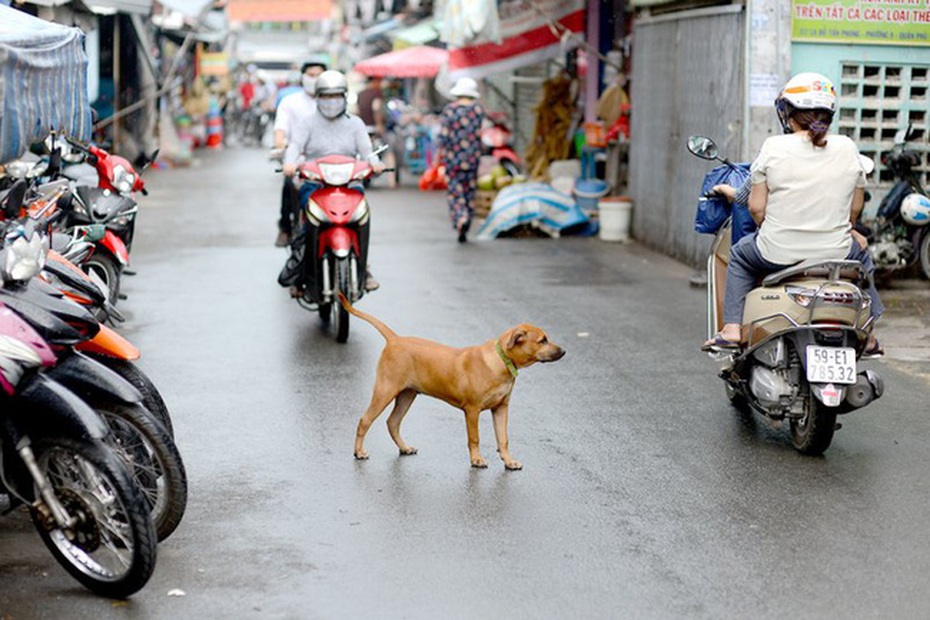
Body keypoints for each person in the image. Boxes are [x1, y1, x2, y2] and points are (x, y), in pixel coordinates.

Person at [704, 72, 884, 356]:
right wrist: (846, 228)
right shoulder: (848, 147)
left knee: (739, 255)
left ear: (787, 113)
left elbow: (755, 207)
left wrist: (772, 226)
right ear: (829, 113)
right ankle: (870, 335)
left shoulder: (774, 147)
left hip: (777, 252)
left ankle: (731, 330)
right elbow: (855, 207)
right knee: (862, 252)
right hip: (835, 253)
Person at [280, 70, 384, 297]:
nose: (331, 101)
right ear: (317, 97)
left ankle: (364, 268)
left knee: (362, 216)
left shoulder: (355, 124)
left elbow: (367, 152)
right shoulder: (307, 123)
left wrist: (375, 164)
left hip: (349, 184)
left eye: (336, 95)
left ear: (345, 96)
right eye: (326, 96)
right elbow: (295, 147)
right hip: (315, 184)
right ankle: (300, 271)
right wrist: (290, 163)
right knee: (306, 221)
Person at [271, 60, 327, 247]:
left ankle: (363, 266)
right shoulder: (290, 102)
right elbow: (280, 130)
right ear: (302, 77)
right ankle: (285, 227)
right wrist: (281, 144)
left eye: (319, 75)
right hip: (299, 161)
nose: (314, 79)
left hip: (331, 163)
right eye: (311, 75)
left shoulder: (333, 102)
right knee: (289, 184)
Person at [436, 77, 486, 242]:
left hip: (453, 159)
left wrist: (438, 157)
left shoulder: (449, 110)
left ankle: (460, 218)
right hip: (472, 158)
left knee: (455, 192)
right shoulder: (478, 110)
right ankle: (467, 219)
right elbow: (480, 134)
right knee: (469, 191)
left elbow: (443, 137)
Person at [357, 77, 398, 188]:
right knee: (389, 151)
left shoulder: (361, 94)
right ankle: (392, 181)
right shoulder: (377, 93)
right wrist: (379, 124)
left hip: (363, 128)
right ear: (375, 81)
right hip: (375, 128)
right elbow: (376, 108)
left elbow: (357, 110)